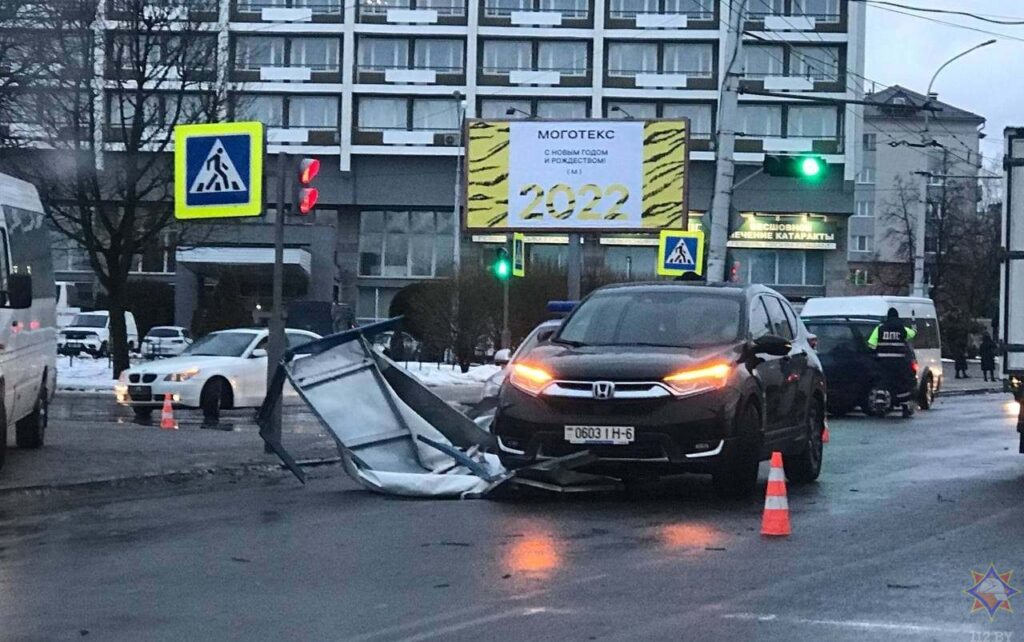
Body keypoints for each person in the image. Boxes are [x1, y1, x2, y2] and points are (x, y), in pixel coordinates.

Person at [867, 307, 918, 418]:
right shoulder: (902, 329)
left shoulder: (880, 329)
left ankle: (880, 405)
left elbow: (871, 344)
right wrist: (914, 324)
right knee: (902, 385)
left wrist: (875, 352)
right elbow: (913, 333)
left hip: (883, 362)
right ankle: (904, 408)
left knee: (882, 383)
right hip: (899, 363)